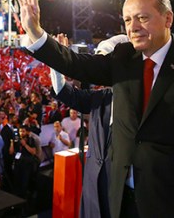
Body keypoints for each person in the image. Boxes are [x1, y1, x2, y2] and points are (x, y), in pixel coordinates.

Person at [16, 0, 174, 218]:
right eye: (127, 20)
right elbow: (75, 63)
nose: (133, 27)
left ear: (168, 19)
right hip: (120, 201)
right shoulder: (123, 58)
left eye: (142, 18)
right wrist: (35, 32)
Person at [51, 33, 127, 218]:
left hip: (122, 195)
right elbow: (63, 91)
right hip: (93, 191)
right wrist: (57, 60)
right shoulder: (100, 98)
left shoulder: (143, 104)